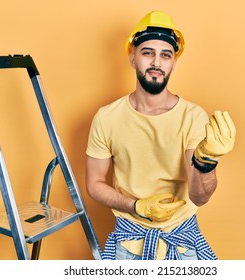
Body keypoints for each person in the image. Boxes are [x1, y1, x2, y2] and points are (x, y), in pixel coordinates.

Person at [85, 10, 236, 260]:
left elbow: (200, 197)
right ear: (132, 58)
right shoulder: (107, 117)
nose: (157, 62)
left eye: (165, 55)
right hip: (128, 243)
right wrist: (137, 206)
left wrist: (206, 161)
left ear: (173, 63)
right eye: (148, 53)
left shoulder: (193, 117)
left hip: (181, 241)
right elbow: (94, 184)